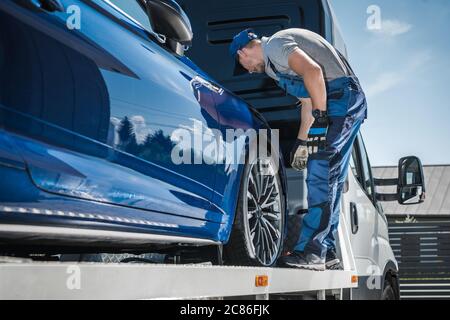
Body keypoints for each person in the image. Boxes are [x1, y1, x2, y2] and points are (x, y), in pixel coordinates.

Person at [229, 28, 368, 271]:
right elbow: (307, 100)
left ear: (243, 52)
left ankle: (312, 252)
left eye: (244, 65)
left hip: (341, 99)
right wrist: (302, 143)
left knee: (321, 171)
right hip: (339, 101)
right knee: (330, 177)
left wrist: (322, 117)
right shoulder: (274, 67)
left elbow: (313, 72)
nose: (249, 71)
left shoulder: (275, 45)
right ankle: (327, 251)